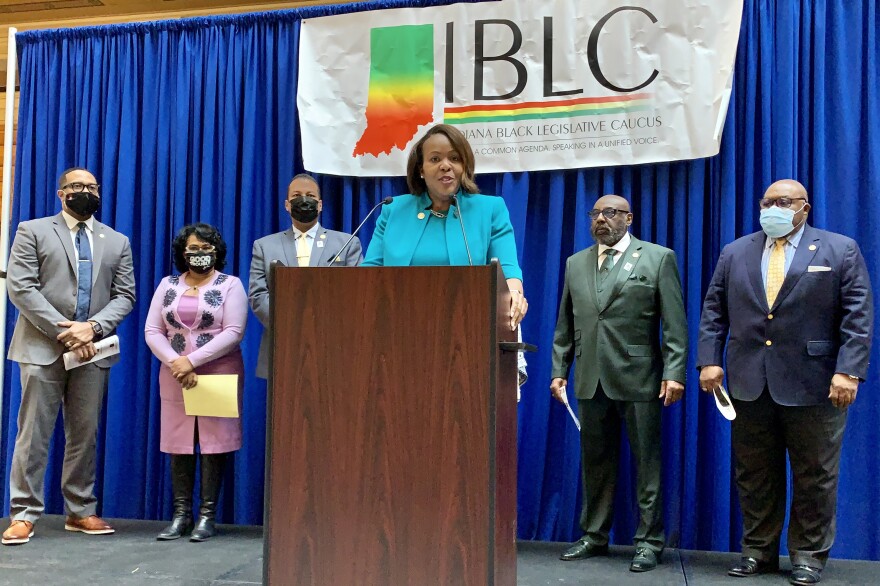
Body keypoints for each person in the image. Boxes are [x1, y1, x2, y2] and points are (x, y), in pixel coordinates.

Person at [697, 180, 873, 586]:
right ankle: (758, 551)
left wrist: (848, 370)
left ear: (804, 208)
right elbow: (713, 311)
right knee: (754, 473)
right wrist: (708, 360)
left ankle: (808, 555)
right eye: (767, 202)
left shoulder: (839, 249)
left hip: (815, 384)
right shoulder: (735, 252)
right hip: (748, 381)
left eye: (783, 202)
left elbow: (857, 317)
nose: (773, 208)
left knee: (815, 474)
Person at [550, 194, 687, 573]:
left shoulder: (658, 258)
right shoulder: (575, 263)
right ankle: (594, 536)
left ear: (629, 217)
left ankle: (649, 541)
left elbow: (675, 325)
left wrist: (674, 373)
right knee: (595, 462)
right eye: (595, 214)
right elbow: (565, 324)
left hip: (640, 377)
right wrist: (558, 369)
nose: (600, 220)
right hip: (590, 377)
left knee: (647, 462)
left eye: (609, 213)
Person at [2, 167, 136, 546]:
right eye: (77, 186)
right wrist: (67, 331)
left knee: (84, 433)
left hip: (93, 351)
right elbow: (21, 287)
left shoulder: (117, 241)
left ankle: (80, 511)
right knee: (34, 434)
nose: (86, 192)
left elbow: (125, 295)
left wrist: (91, 329)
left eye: (92, 187)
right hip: (42, 347)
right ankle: (24, 514)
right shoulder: (33, 230)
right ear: (61, 193)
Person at [361, 123, 528, 329]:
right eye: (435, 159)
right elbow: (368, 275)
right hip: (397, 328)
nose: (445, 165)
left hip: (466, 329)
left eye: (454, 158)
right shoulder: (393, 210)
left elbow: (508, 271)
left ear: (464, 166)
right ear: (421, 169)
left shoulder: (490, 209)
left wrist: (513, 294)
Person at [145, 223, 248, 542]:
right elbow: (152, 330)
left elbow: (234, 331)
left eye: (206, 248)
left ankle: (207, 516)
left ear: (217, 252)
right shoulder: (167, 284)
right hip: (175, 375)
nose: (200, 254)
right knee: (180, 443)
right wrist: (177, 363)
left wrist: (192, 361)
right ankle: (180, 516)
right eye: (194, 248)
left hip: (217, 371)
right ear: (182, 252)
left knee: (214, 443)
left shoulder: (230, 285)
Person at [248, 174, 362, 379]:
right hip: (283, 344)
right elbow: (258, 295)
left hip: (333, 345)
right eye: (297, 195)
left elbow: (356, 292)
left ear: (320, 205)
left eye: (310, 195)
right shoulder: (264, 246)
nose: (304, 199)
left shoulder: (347, 243)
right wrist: (289, 324)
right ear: (286, 205)